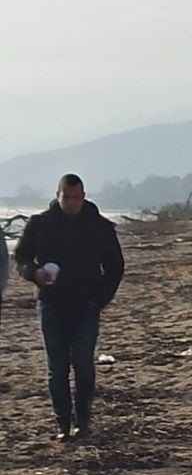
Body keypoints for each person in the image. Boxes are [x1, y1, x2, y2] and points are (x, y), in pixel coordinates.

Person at [12, 174, 124, 440]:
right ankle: (63, 423)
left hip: (86, 305)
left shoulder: (99, 226)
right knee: (57, 367)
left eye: (77, 197)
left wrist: (100, 299)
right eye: (67, 197)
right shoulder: (40, 224)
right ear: (58, 196)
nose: (72, 202)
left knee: (83, 364)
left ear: (83, 196)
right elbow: (21, 257)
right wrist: (33, 273)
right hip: (51, 304)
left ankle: (82, 421)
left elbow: (115, 266)